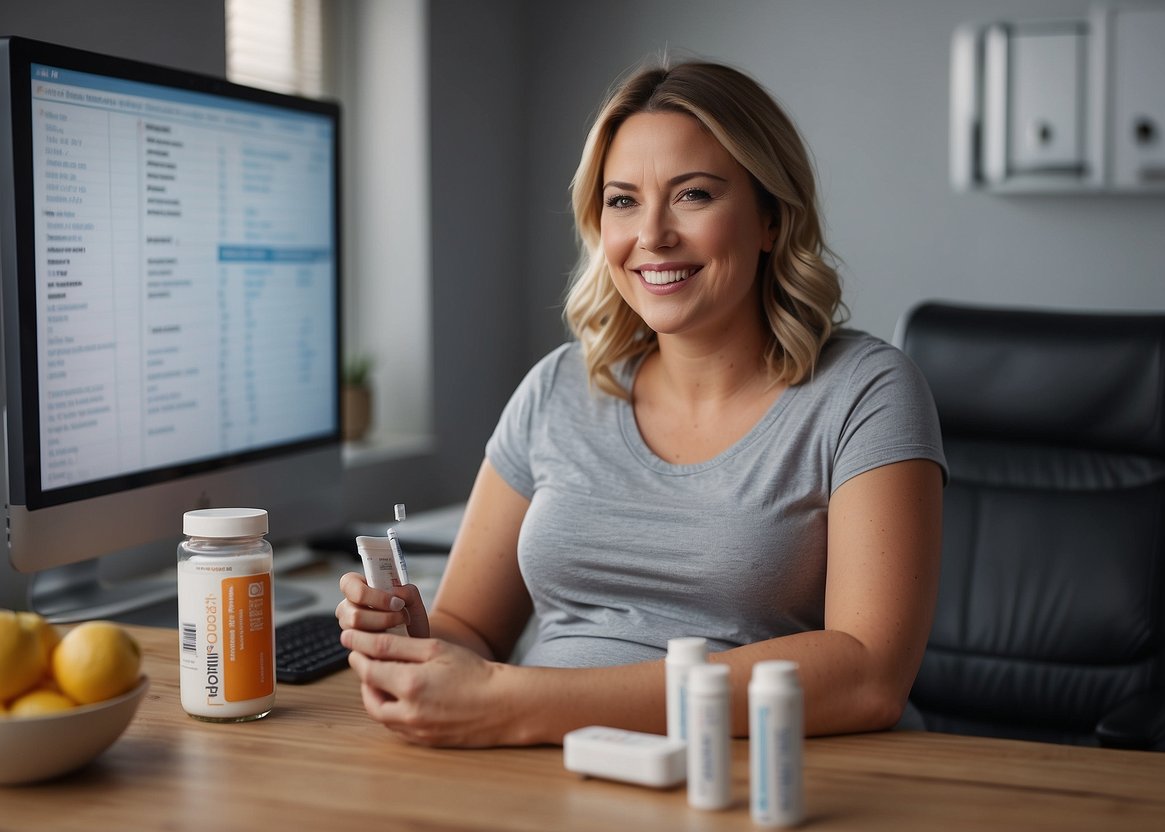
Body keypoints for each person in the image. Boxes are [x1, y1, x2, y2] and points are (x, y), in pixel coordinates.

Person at [336, 59, 947, 748]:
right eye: (622, 200)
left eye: (692, 195)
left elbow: (867, 676)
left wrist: (520, 704)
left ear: (771, 218)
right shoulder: (556, 387)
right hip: (537, 772)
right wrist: (413, 643)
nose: (651, 234)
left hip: (752, 778)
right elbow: (470, 631)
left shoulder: (865, 391)